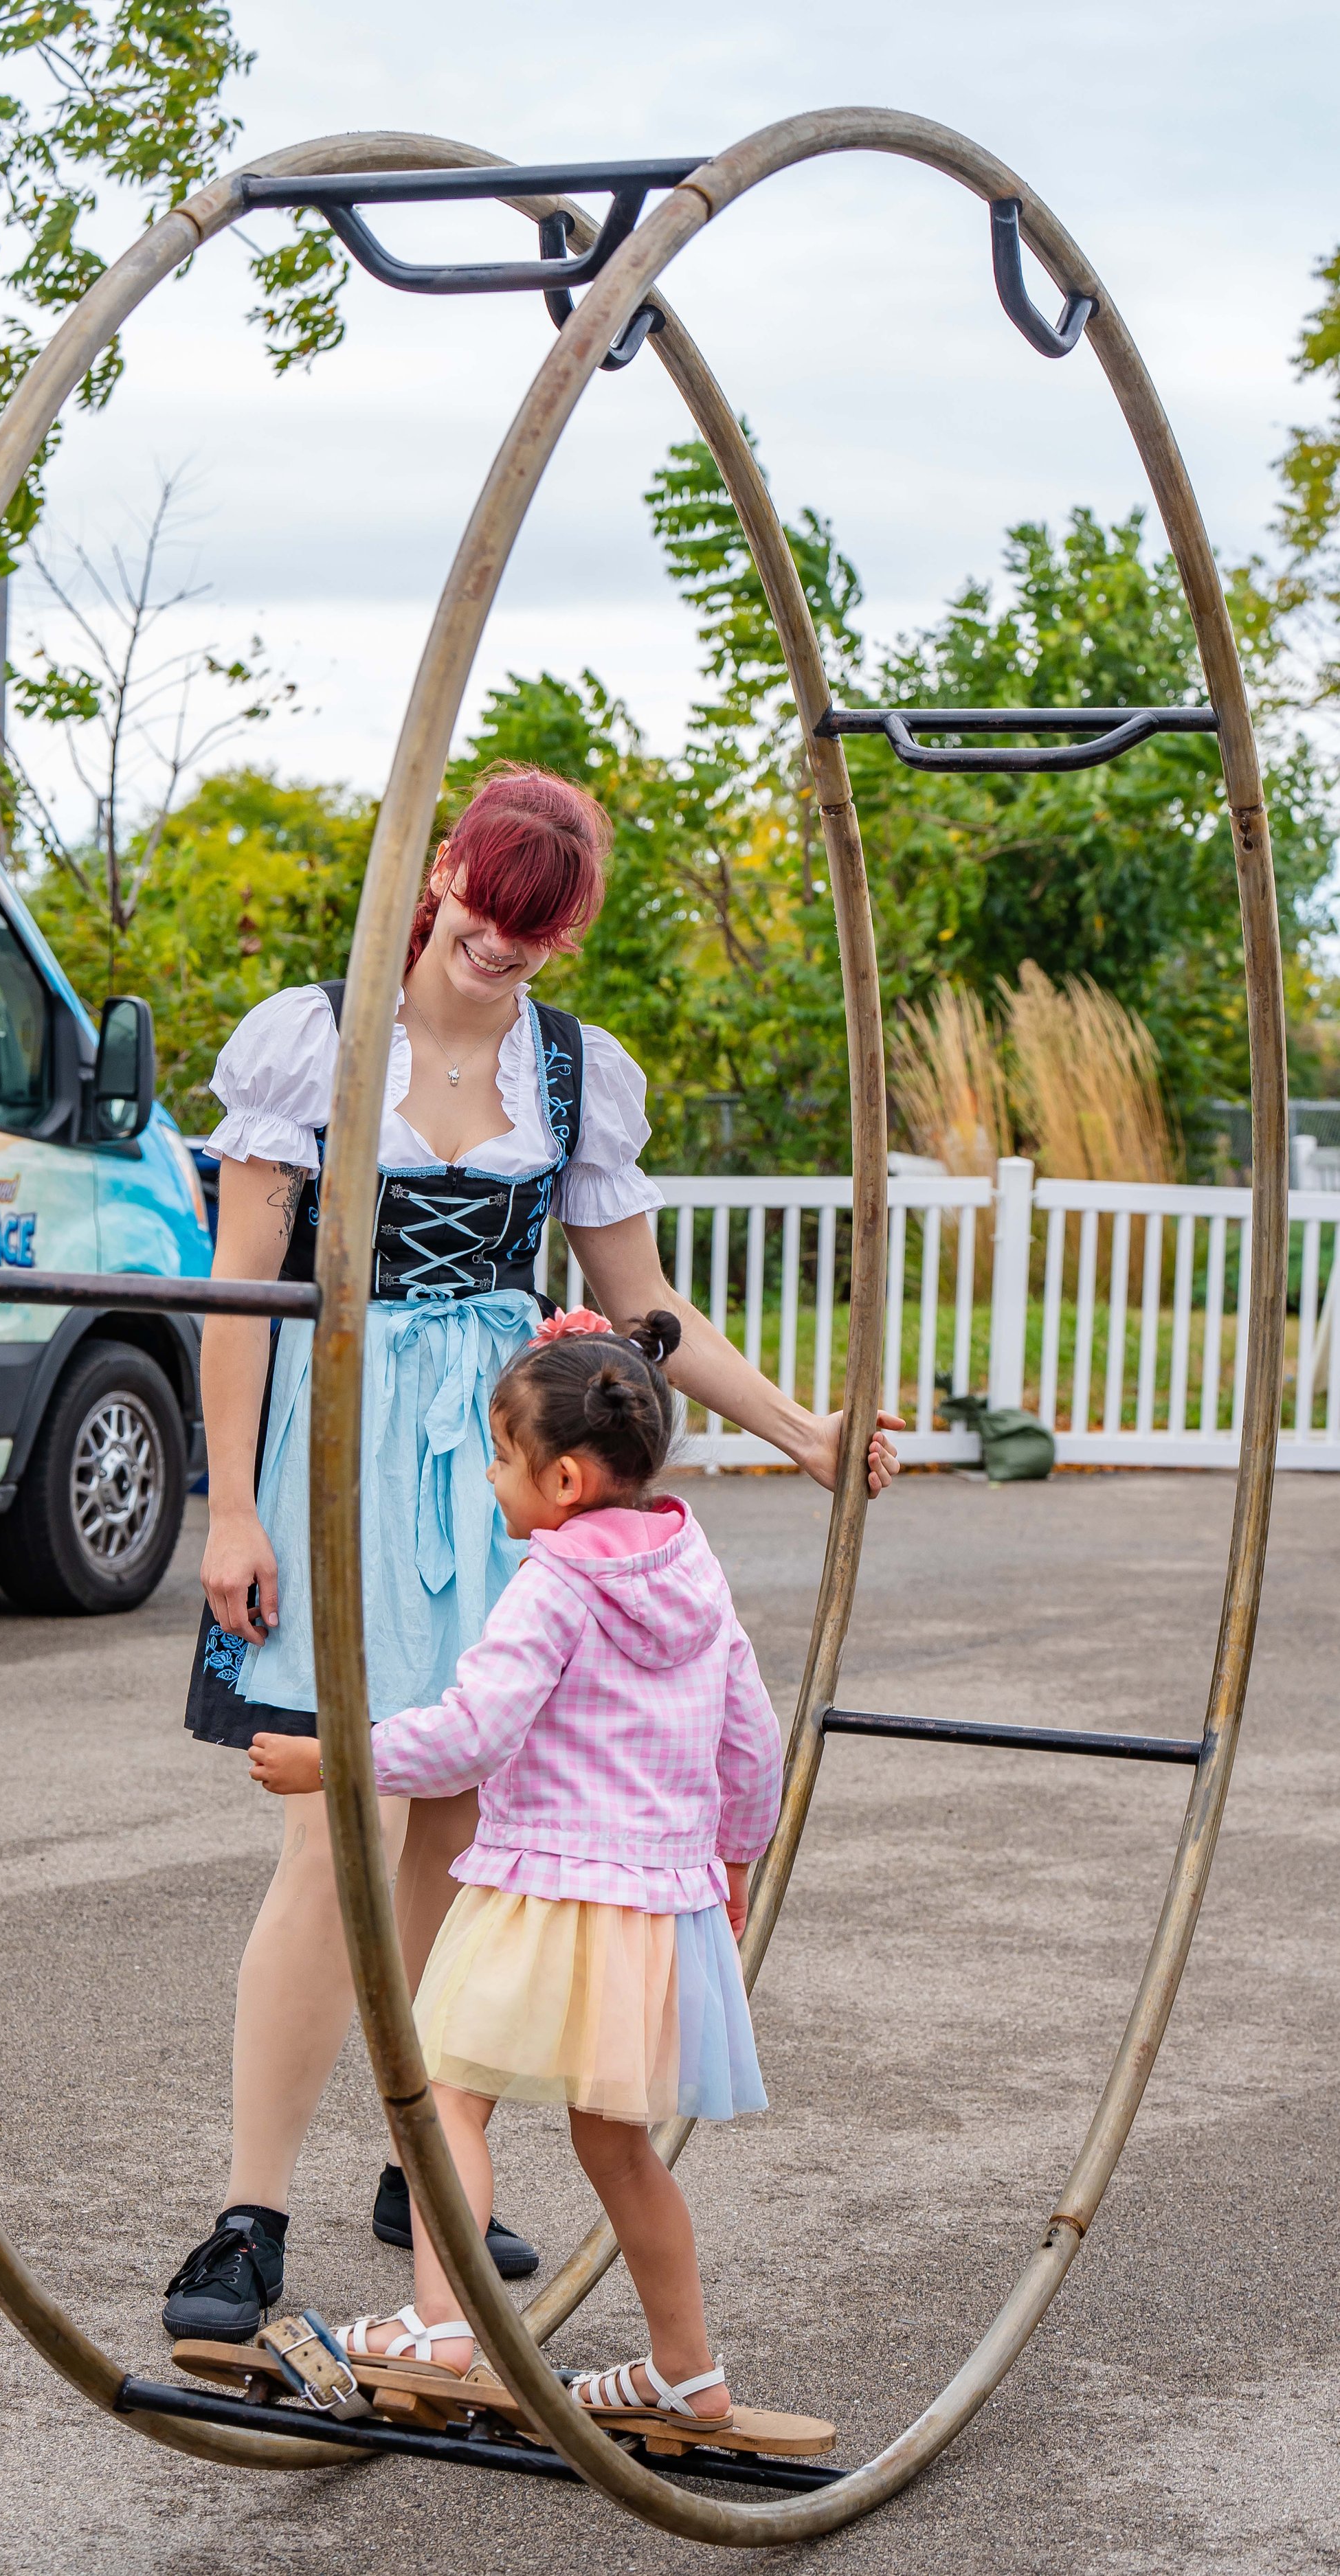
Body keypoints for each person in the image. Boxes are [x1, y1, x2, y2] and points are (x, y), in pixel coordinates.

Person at [165, 763, 902, 2345]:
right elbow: (239, 1292)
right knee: (333, 1837)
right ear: (441, 872)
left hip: (506, 1478)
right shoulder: (314, 1040)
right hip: (337, 1448)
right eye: (487, 909)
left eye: (536, 929)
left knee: (463, 1836)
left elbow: (646, 1307)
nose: (499, 946)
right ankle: (249, 2210)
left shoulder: (571, 1072)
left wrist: (802, 1428)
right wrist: (226, 1507)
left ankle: (423, 2163)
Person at [250, 1311, 777, 2434]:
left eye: (499, 1456)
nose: (489, 1477)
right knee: (616, 2144)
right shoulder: (694, 1568)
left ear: (566, 1479)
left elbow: (472, 1734)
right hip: (659, 1906)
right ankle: (687, 2371)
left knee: (444, 2095)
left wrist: (331, 1760)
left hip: (549, 1892)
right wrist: (733, 1858)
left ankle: (442, 2323)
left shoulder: (553, 1582)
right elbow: (753, 1741)